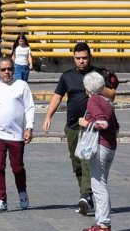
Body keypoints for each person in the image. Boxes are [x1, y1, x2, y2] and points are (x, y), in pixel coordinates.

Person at [42, 42, 113, 216]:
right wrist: (48, 116)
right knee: (77, 164)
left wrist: (97, 86)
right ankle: (87, 197)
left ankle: (85, 195)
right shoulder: (67, 76)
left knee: (87, 161)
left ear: (90, 57)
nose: (81, 61)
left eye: (85, 58)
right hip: (72, 126)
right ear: (73, 58)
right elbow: (57, 97)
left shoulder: (99, 74)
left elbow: (112, 95)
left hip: (92, 127)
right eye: (78, 58)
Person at [0, 56, 35, 213]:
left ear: (13, 70)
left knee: (17, 168)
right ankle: (1, 200)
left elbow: (29, 108)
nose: (6, 72)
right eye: (3, 69)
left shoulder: (22, 86)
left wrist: (29, 128)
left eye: (9, 69)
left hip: (16, 135)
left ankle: (22, 191)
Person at [78, 71, 119, 231]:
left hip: (100, 147)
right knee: (102, 184)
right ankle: (102, 221)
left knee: (98, 186)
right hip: (110, 147)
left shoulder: (93, 100)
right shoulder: (107, 101)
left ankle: (103, 224)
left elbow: (102, 123)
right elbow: (116, 126)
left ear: (87, 88)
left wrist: (86, 123)